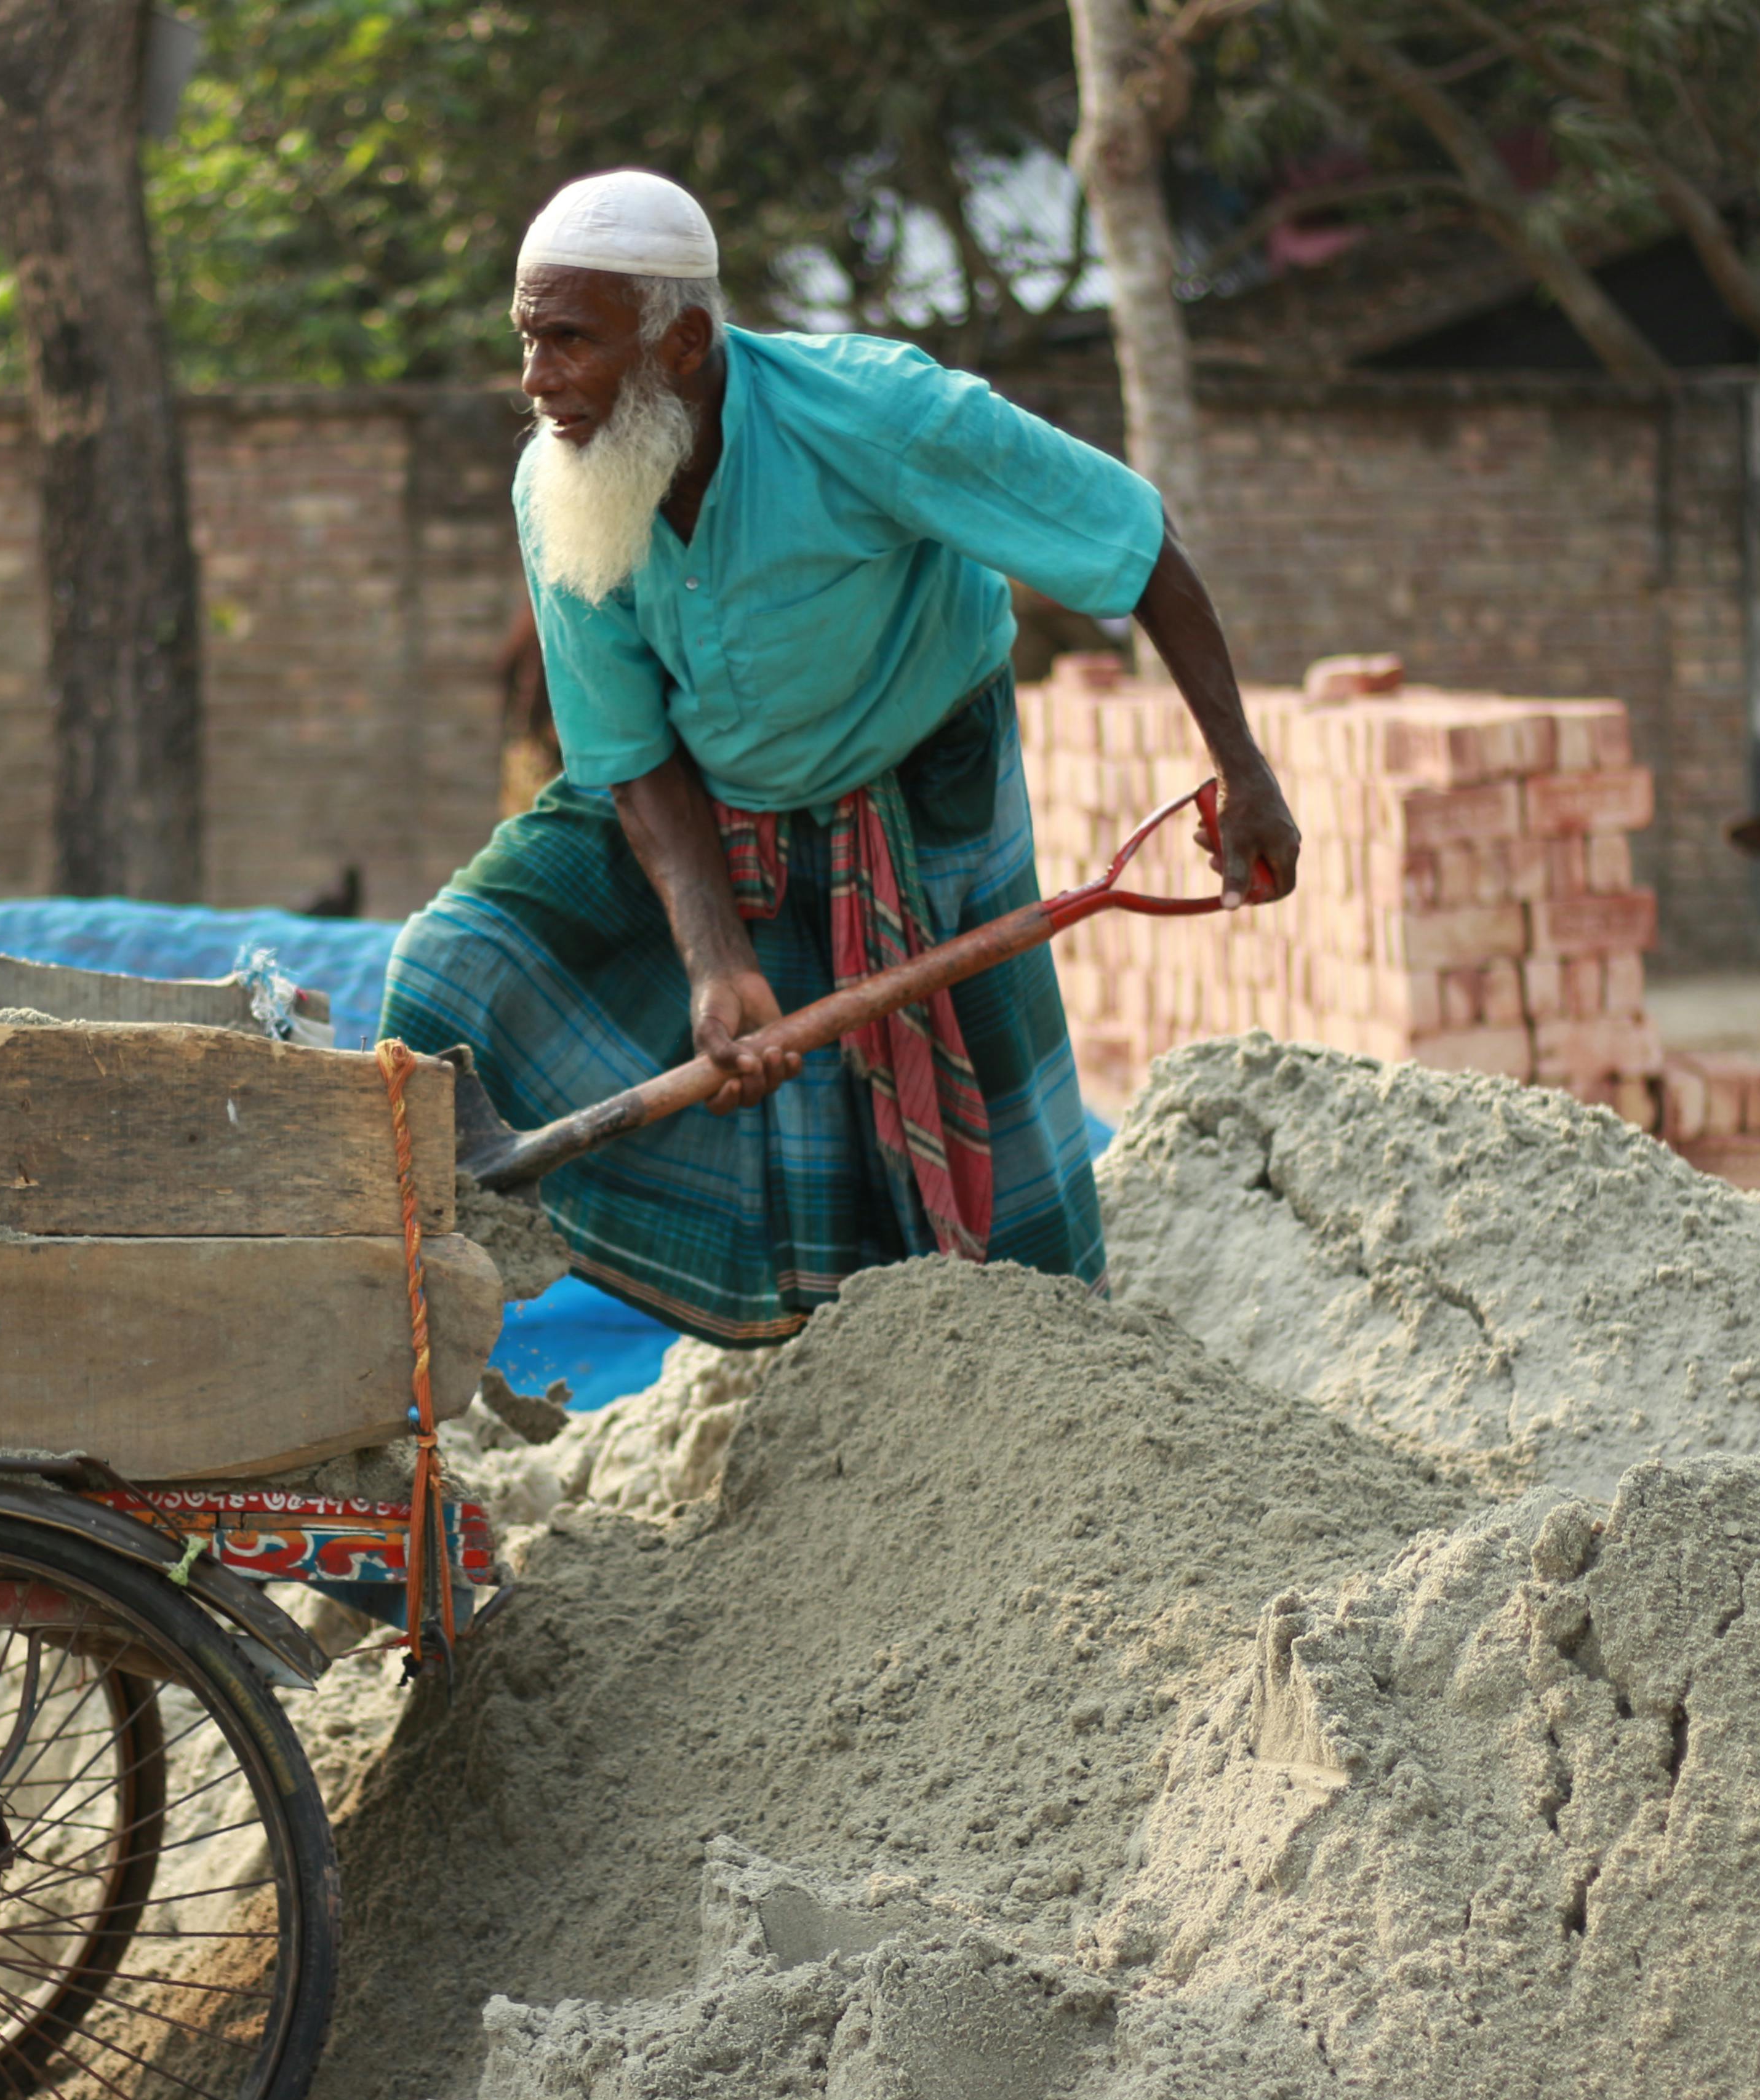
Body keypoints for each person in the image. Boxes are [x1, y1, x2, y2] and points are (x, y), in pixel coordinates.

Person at [383, 169, 1298, 1344]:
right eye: (526, 339)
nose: (535, 381)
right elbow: (625, 746)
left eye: (570, 342)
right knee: (451, 974)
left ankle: (1026, 1367)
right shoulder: (557, 484)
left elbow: (1132, 540)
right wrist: (715, 959)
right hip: (710, 795)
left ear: (684, 343)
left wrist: (1247, 770)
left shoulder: (882, 415)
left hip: (919, 773)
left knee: (975, 1162)